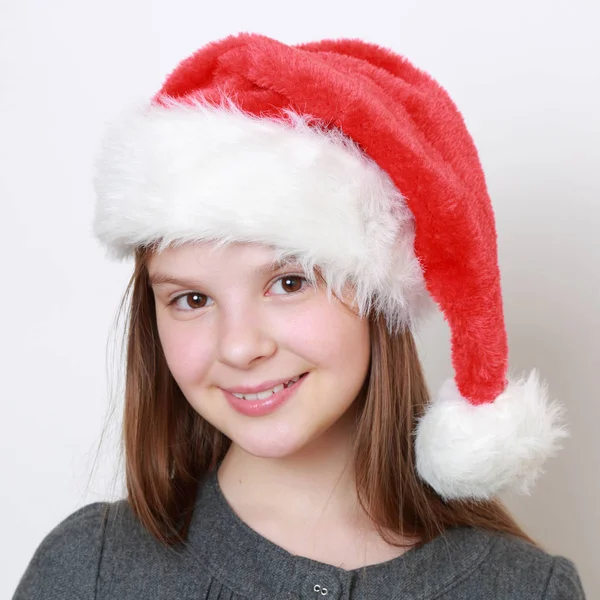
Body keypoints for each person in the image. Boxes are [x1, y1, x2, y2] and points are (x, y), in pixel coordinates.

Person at [13, 32, 586, 599]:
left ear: (375, 297)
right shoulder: (87, 570)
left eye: (288, 283)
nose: (239, 347)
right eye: (191, 300)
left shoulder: (524, 588)